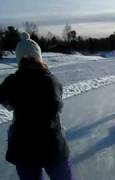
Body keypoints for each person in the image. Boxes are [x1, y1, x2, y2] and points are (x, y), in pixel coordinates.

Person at [0, 32, 73, 180]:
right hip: (53, 145)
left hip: (23, 148)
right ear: (39, 57)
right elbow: (57, 106)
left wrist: (17, 105)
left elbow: (4, 100)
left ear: (19, 59)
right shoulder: (51, 80)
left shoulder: (12, 81)